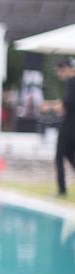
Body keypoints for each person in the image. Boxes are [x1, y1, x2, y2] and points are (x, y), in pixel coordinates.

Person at [54, 57, 75, 197]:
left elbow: (68, 104)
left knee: (59, 155)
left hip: (69, 124)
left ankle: (62, 190)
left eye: (60, 71)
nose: (59, 74)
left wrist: (57, 107)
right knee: (69, 153)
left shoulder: (71, 82)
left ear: (66, 68)